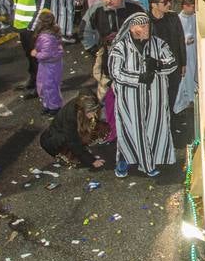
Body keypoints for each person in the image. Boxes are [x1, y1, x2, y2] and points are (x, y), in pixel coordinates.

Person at [107, 12, 177, 179]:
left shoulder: (159, 44)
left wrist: (158, 65)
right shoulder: (120, 47)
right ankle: (124, 161)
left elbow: (173, 63)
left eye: (148, 25)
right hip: (129, 100)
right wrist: (139, 78)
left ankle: (150, 161)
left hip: (155, 99)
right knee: (129, 131)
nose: (146, 29)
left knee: (154, 129)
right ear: (132, 28)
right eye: (142, 25)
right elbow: (115, 72)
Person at [39, 91, 108, 169]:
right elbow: (73, 142)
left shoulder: (83, 100)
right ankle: (66, 154)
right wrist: (92, 160)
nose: (93, 115)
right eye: (90, 112)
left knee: (102, 128)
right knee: (77, 155)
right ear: (81, 111)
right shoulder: (70, 117)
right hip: (53, 142)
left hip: (68, 134)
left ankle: (79, 147)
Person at [8, 0, 47, 93]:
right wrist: (13, 21)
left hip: (33, 30)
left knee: (36, 58)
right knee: (29, 56)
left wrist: (31, 27)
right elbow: (14, 4)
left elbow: (41, 8)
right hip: (21, 27)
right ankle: (33, 80)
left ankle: (39, 86)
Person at [31, 10, 65, 115]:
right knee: (44, 85)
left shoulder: (46, 37)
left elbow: (46, 54)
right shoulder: (50, 34)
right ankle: (48, 104)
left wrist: (36, 54)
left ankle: (54, 106)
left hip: (50, 65)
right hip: (49, 64)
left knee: (50, 86)